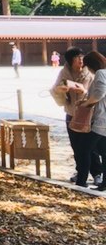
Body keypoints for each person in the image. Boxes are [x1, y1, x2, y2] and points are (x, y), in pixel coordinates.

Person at [50, 47, 102, 187]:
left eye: (81, 56)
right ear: (70, 60)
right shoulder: (64, 73)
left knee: (90, 147)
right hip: (71, 113)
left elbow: (97, 93)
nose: (81, 60)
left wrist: (83, 91)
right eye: (77, 57)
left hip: (88, 115)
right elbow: (55, 90)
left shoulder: (90, 72)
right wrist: (60, 90)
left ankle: (97, 173)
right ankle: (81, 172)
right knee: (76, 146)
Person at [77, 51, 106, 190]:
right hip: (103, 119)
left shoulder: (100, 73)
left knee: (84, 149)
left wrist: (87, 104)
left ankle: (81, 181)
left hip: (101, 119)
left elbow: (100, 93)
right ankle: (104, 184)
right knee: (103, 152)